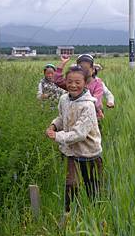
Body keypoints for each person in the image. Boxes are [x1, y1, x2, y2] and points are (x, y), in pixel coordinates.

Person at [46, 65, 103, 212]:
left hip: (89, 153)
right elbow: (61, 117)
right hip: (71, 152)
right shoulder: (64, 99)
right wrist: (54, 126)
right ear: (65, 81)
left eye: (78, 82)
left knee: (93, 186)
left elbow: (79, 134)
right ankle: (69, 215)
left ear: (85, 83)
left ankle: (95, 214)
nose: (73, 85)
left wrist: (57, 136)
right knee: (71, 185)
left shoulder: (88, 106)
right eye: (70, 81)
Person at [54, 54, 105, 119]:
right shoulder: (74, 83)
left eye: (86, 69)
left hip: (92, 116)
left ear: (93, 70)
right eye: (81, 68)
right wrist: (63, 63)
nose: (84, 71)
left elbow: (96, 100)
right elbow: (58, 80)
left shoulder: (97, 83)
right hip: (75, 115)